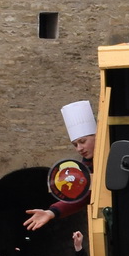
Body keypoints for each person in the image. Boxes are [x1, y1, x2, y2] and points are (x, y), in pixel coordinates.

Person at [23, 100, 96, 247]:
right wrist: (51, 212)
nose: (79, 148)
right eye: (75, 144)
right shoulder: (85, 170)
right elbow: (80, 196)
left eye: (82, 141)